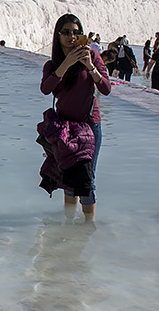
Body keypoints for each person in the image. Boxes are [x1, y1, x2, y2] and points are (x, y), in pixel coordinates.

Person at [41, 13, 111, 219]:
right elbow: (46, 89)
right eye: (66, 32)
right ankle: (69, 226)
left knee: (87, 178)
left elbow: (106, 88)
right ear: (58, 35)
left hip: (89, 127)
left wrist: (89, 65)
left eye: (76, 32)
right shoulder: (52, 65)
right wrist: (67, 63)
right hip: (65, 130)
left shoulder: (93, 57)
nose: (71, 37)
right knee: (68, 178)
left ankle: (88, 228)